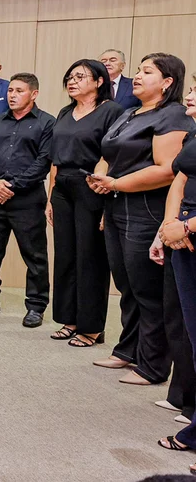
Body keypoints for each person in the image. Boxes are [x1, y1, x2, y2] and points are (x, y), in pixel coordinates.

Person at [90, 53, 189, 385]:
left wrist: (115, 183)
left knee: (148, 289)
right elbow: (107, 152)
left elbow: (167, 170)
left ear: (167, 82)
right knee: (126, 285)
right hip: (116, 205)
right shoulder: (130, 112)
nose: (137, 76)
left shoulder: (172, 115)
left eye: (147, 72)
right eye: (138, 70)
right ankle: (127, 351)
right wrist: (101, 178)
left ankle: (153, 365)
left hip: (145, 209)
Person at [46, 60, 123, 347]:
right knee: (66, 255)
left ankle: (92, 327)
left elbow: (113, 153)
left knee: (90, 257)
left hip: (91, 184)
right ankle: (70, 319)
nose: (72, 81)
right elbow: (55, 158)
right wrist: (50, 197)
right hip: (63, 186)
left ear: (99, 81)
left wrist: (103, 185)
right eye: (70, 76)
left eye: (80, 76)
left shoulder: (111, 112)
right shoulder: (65, 112)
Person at [0, 73, 54, 327]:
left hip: (27, 200)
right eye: (10, 91)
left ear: (34, 94)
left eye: (19, 91)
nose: (12, 95)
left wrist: (11, 187)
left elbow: (43, 162)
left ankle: (36, 306)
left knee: (35, 255)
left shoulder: (47, 123)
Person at [154, 77, 196, 468]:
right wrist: (168, 228)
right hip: (179, 236)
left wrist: (187, 227)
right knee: (192, 334)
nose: (189, 97)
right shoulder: (195, 134)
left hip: (191, 233)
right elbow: (179, 179)